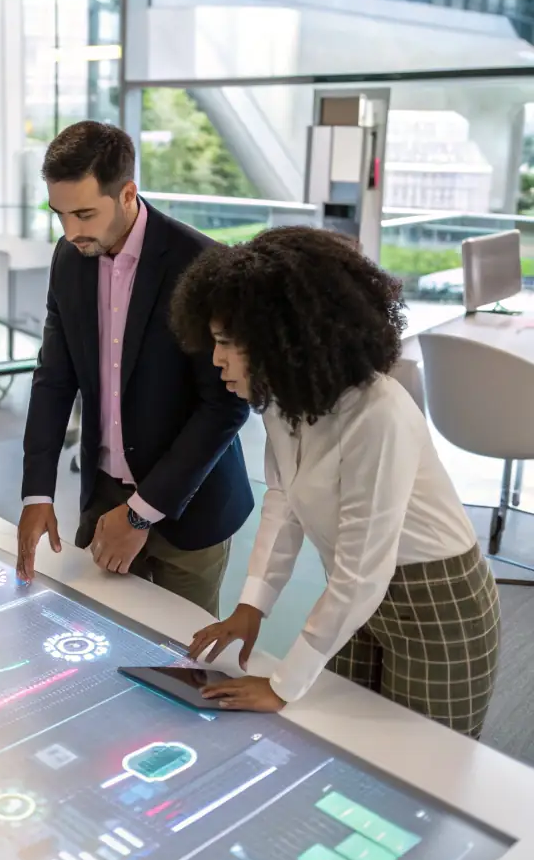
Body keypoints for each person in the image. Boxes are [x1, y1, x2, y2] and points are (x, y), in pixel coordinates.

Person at [173, 226, 500, 736]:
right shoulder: (284, 397)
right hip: (351, 595)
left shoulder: (377, 412)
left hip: (437, 602)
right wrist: (252, 603)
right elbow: (283, 500)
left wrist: (281, 684)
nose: (215, 360)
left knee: (419, 767)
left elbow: (364, 569)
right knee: (343, 743)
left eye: (227, 344)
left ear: (285, 337)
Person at [17, 121, 253, 616]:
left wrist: (141, 515)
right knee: (88, 645)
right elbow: (54, 378)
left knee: (179, 664)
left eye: (84, 213)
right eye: (60, 215)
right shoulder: (68, 258)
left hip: (190, 508)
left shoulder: (203, 263)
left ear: (127, 194)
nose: (71, 231)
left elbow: (225, 406)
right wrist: (37, 492)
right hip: (102, 497)